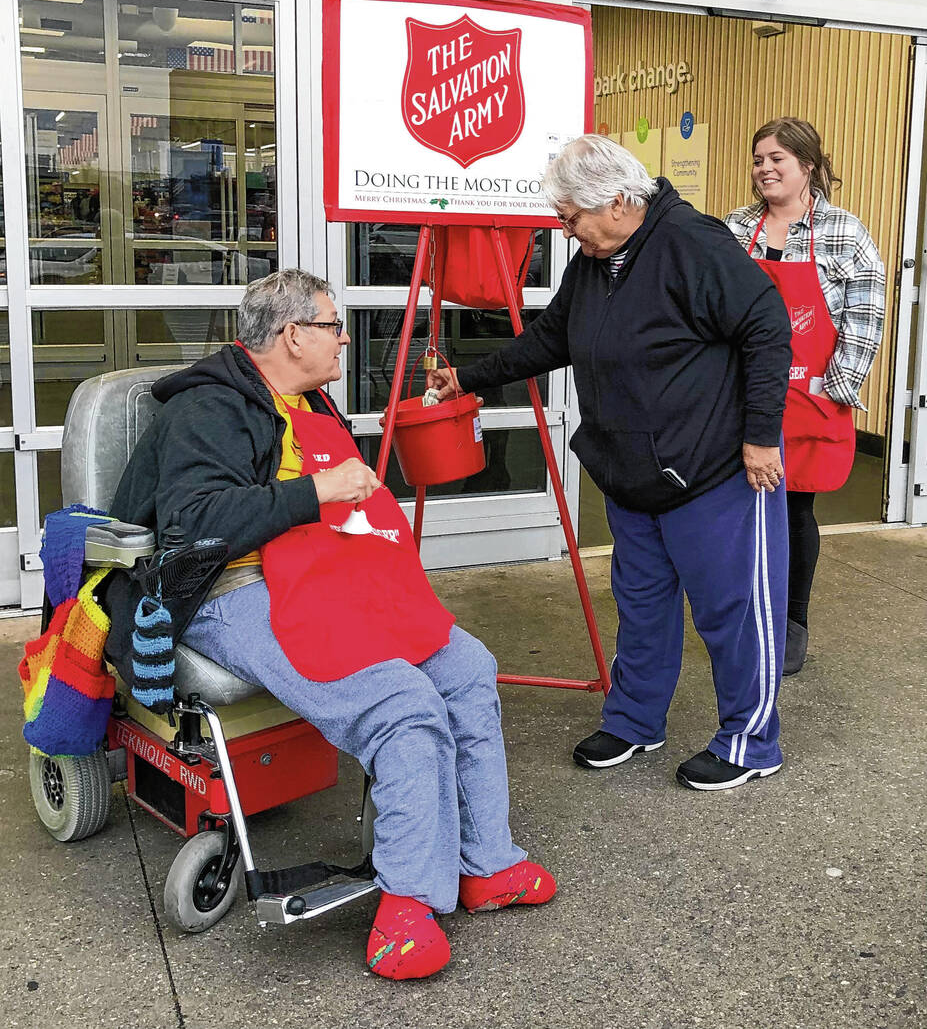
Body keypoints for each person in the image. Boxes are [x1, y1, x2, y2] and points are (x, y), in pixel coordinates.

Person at [108, 269, 555, 981]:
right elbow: (196, 523)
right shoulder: (210, 409)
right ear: (292, 335)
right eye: (333, 325)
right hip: (230, 587)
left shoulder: (307, 400)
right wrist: (317, 489)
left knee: (465, 666)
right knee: (401, 704)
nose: (345, 337)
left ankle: (484, 862)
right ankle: (408, 902)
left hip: (326, 573)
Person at [428, 135, 793, 792]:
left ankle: (749, 741)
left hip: (713, 468)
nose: (566, 233)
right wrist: (470, 378)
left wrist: (760, 436)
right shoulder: (597, 260)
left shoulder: (690, 243)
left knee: (732, 612)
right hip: (631, 471)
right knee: (642, 606)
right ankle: (634, 719)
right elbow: (552, 336)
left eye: (571, 218)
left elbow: (766, 324)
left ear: (619, 202)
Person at [725, 118, 885, 675]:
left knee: (794, 510)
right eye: (758, 159)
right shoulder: (736, 227)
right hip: (740, 395)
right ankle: (742, 618)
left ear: (808, 166)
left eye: (777, 159)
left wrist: (840, 384)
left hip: (809, 400)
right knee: (738, 511)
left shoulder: (842, 230)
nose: (764, 168)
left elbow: (868, 310)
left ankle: (791, 623)